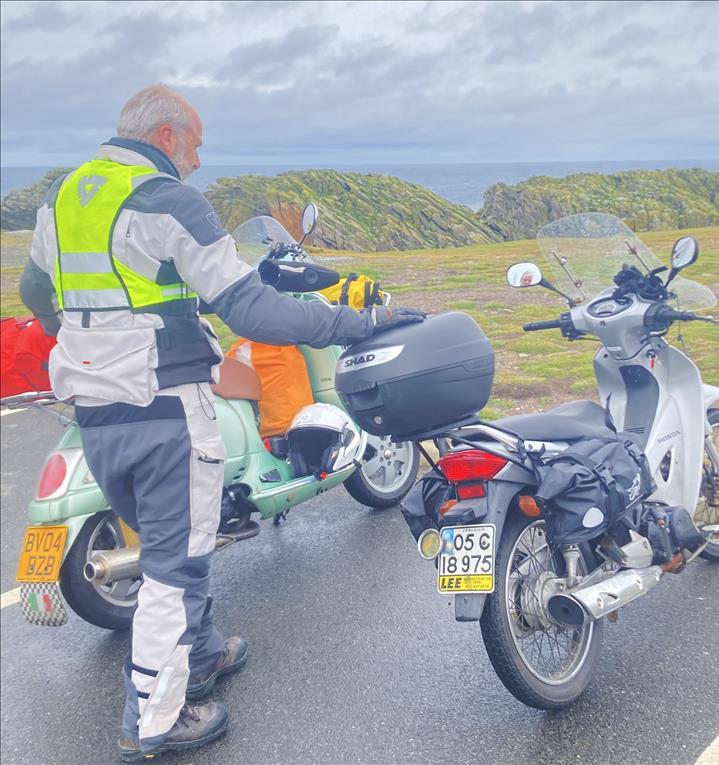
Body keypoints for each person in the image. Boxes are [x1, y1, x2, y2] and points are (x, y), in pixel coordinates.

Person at [19, 83, 425, 762]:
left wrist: (79, 342)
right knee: (174, 567)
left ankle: (200, 653)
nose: (200, 161)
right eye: (198, 145)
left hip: (96, 411)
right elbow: (255, 312)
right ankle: (156, 717)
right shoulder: (166, 199)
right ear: (168, 137)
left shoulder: (63, 197)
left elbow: (36, 290)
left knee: (169, 540)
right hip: (165, 408)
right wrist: (359, 321)